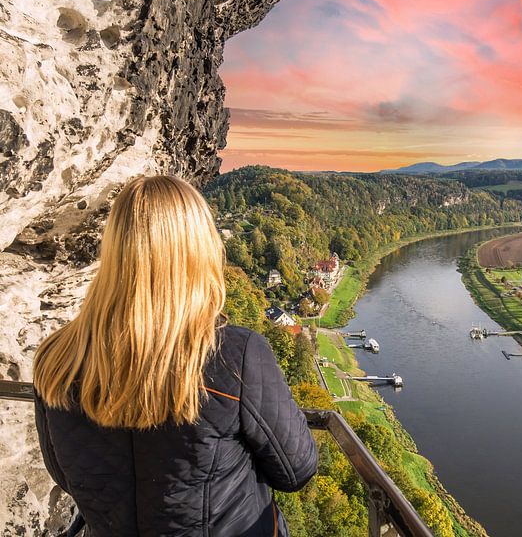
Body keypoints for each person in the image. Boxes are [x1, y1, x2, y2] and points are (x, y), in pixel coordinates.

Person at [33, 175, 317, 536]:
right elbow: (297, 470)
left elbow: (63, 472)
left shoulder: (56, 359)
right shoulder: (234, 355)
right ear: (201, 250)